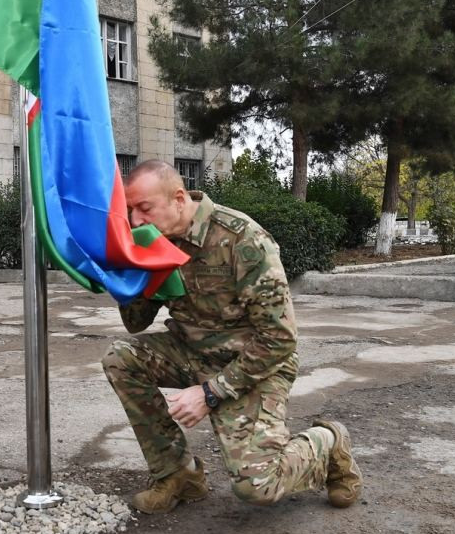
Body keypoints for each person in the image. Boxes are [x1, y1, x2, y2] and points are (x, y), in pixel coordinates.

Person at [102, 159, 362, 514]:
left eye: (144, 209)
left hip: (254, 366)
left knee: (258, 486)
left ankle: (328, 442)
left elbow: (279, 338)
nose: (135, 221)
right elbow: (136, 322)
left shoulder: (242, 239)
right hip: (190, 352)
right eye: (130, 211)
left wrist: (210, 393)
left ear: (179, 199)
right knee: (121, 358)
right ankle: (178, 475)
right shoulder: (153, 241)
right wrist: (124, 272)